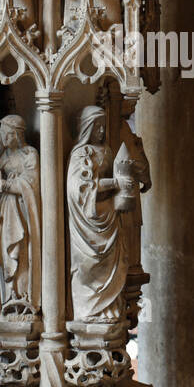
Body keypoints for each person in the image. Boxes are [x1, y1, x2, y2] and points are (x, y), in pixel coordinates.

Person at [67, 107, 130, 323]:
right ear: (87, 127)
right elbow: (78, 189)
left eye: (103, 124)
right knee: (87, 268)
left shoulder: (108, 151)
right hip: (87, 222)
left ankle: (108, 307)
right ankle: (87, 311)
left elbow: (121, 175)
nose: (102, 130)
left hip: (109, 217)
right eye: (97, 126)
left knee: (113, 265)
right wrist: (113, 183)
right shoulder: (80, 155)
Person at [0, 115, 42, 315]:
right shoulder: (4, 157)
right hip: (4, 213)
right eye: (2, 135)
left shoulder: (30, 155)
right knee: (5, 256)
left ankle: (24, 296)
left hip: (22, 212)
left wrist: (5, 185)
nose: (4, 139)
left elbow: (32, 184)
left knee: (21, 252)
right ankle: (8, 296)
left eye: (7, 135)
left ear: (17, 134)